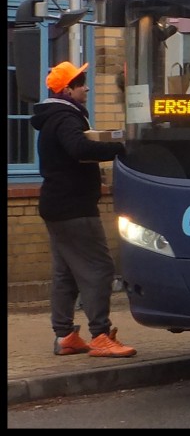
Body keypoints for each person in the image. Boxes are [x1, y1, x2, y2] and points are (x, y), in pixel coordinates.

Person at [31, 61, 137, 359]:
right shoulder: (66, 117)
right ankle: (100, 335)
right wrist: (120, 147)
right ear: (67, 90)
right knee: (99, 270)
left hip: (56, 205)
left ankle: (65, 336)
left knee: (65, 273)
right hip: (74, 207)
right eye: (82, 84)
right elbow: (79, 149)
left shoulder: (53, 117)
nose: (87, 88)